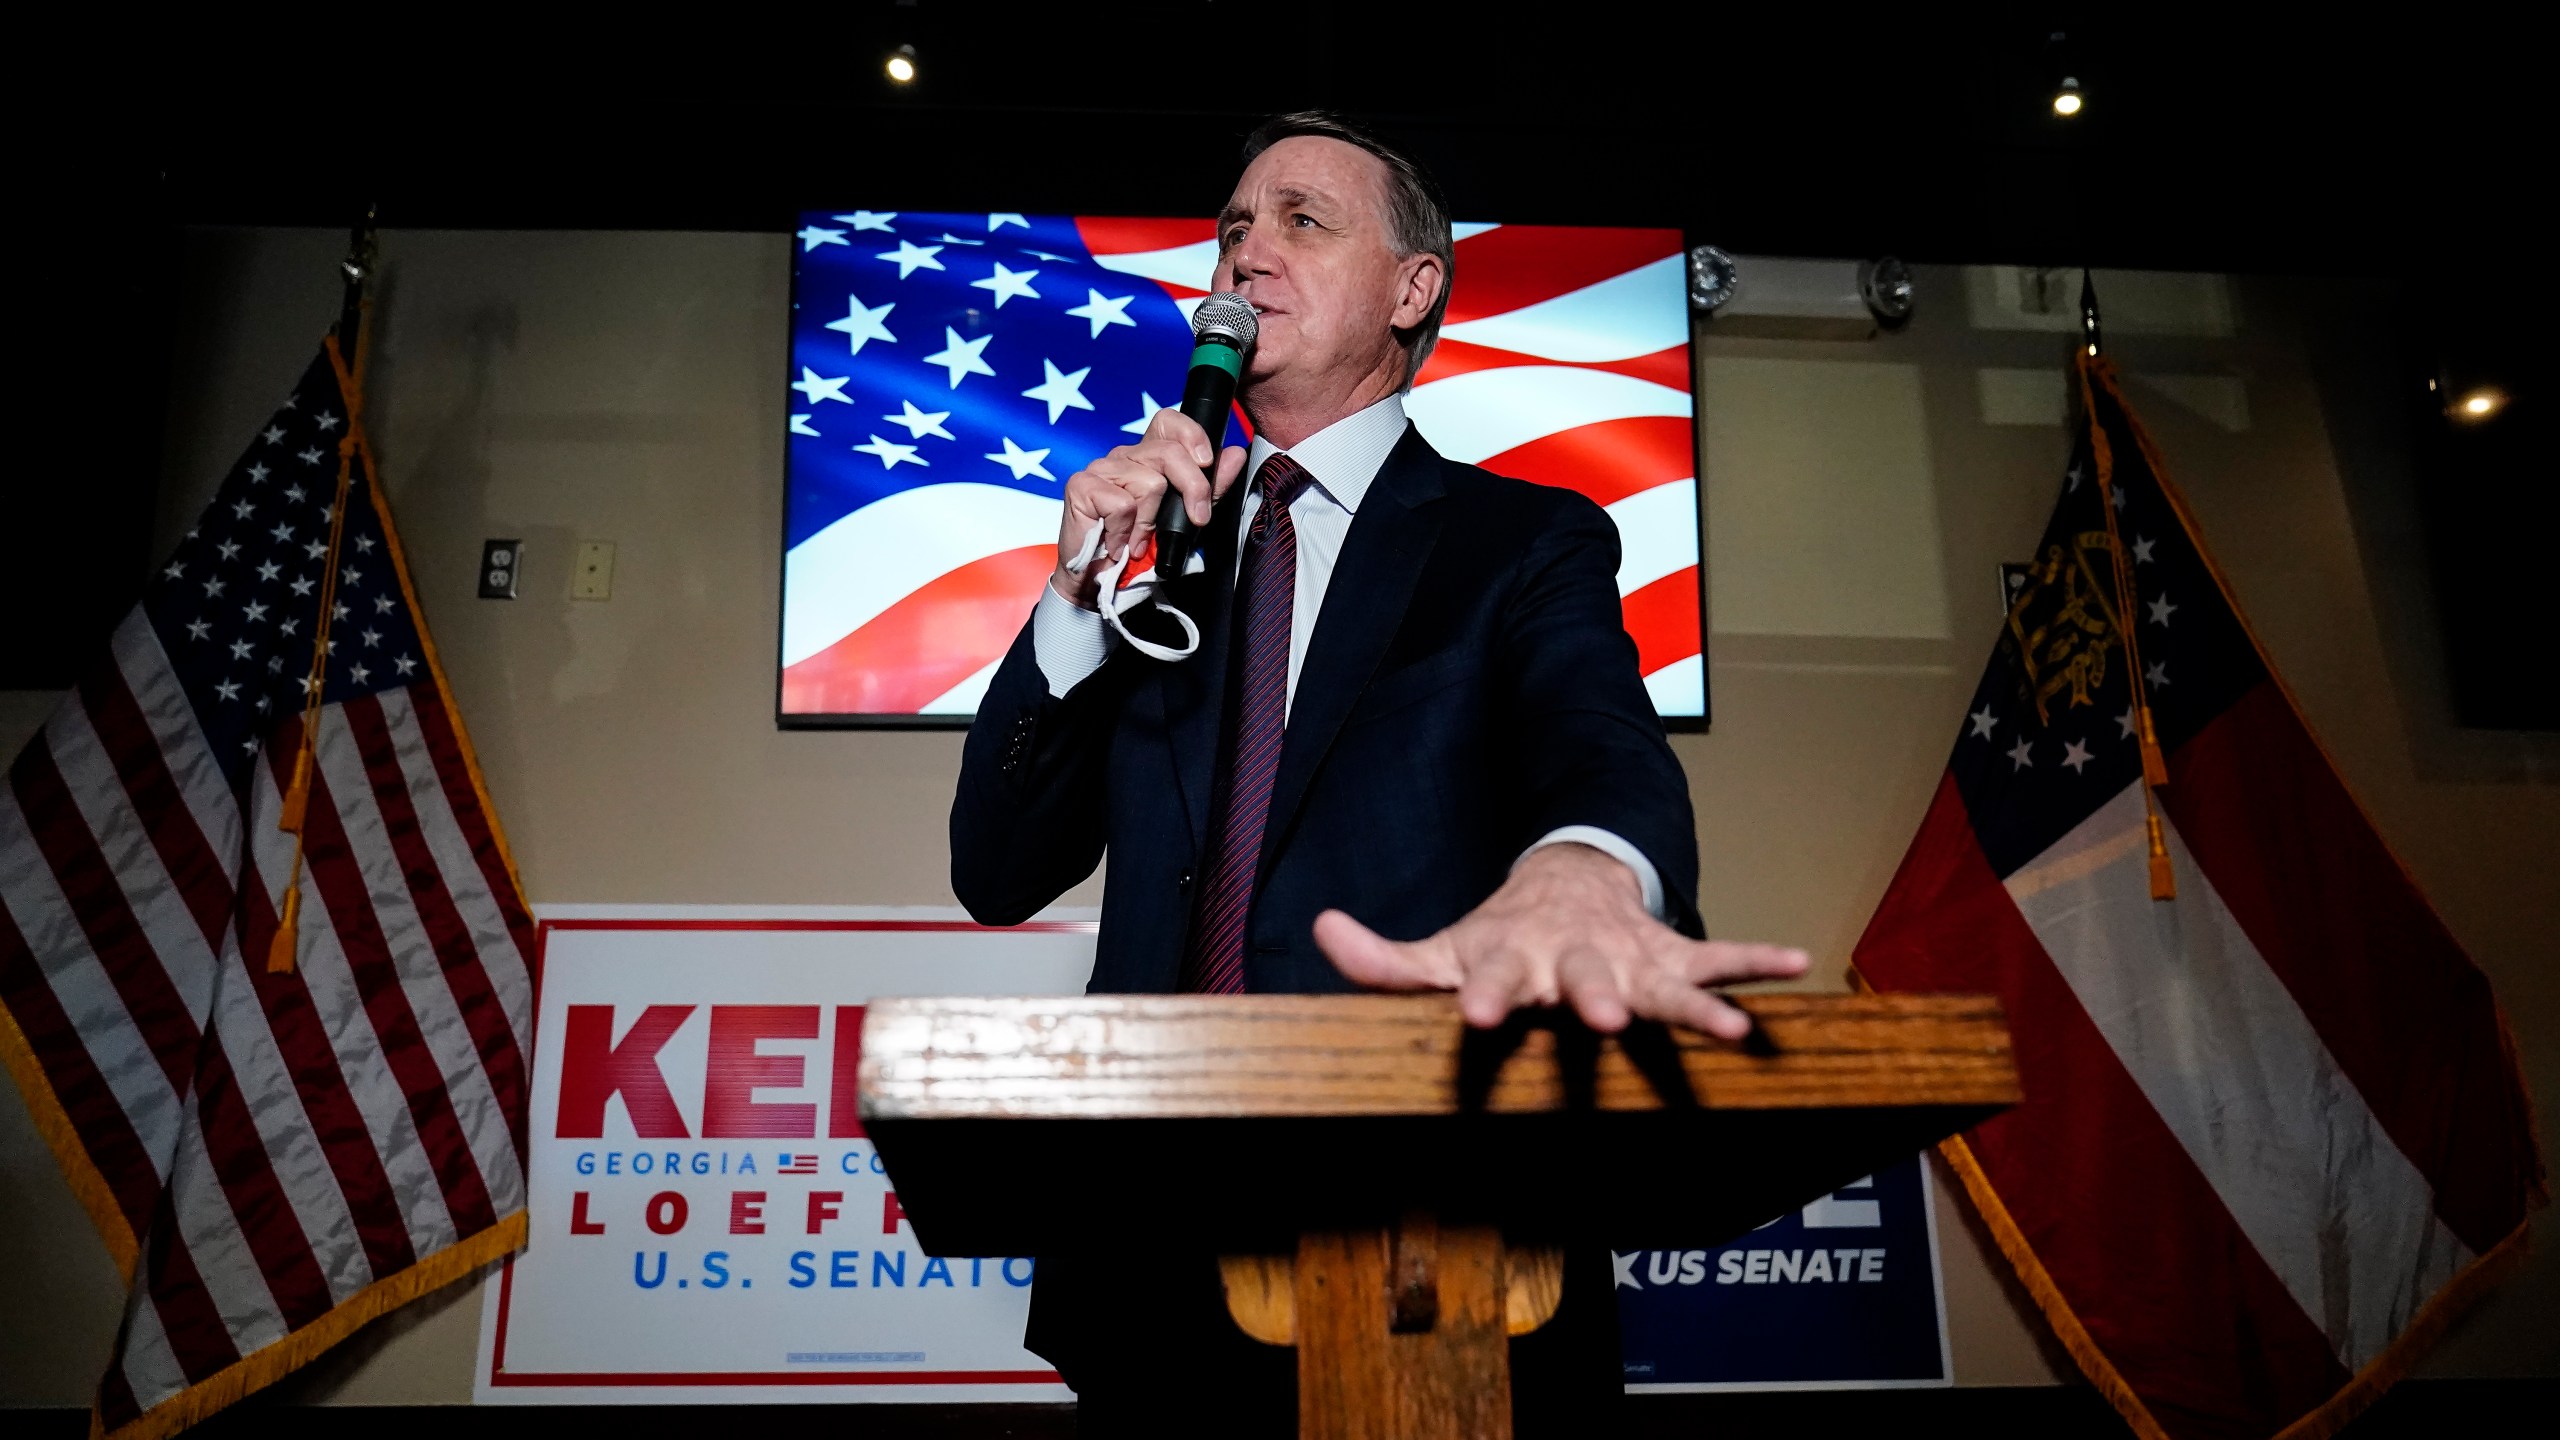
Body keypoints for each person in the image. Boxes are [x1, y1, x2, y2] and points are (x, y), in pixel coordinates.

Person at [950, 111, 1809, 1436]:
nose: (1246, 256)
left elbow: (1595, 742)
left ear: (1414, 290)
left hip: (1437, 1257)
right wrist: (1074, 585)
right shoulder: (1157, 566)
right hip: (1150, 1278)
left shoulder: (1518, 544)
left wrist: (1585, 872)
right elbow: (997, 872)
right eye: (1234, 228)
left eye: (1302, 220)